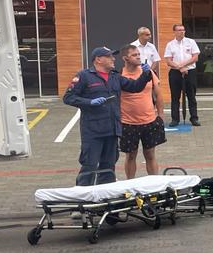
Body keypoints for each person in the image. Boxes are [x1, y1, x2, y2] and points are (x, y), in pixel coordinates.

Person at [63, 46, 153, 186]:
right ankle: (83, 195)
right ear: (98, 59)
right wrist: (89, 102)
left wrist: (146, 75)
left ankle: (104, 198)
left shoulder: (115, 76)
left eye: (113, 56)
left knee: (108, 167)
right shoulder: (84, 76)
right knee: (90, 165)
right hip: (93, 131)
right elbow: (68, 97)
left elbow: (134, 87)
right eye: (109, 56)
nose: (113, 59)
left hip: (112, 129)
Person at [118, 43, 166, 180]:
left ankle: (154, 184)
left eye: (139, 54)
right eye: (134, 55)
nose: (138, 57)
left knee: (150, 155)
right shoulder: (119, 74)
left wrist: (161, 116)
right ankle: (130, 183)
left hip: (149, 121)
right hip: (128, 123)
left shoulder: (148, 72)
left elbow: (158, 94)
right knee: (131, 155)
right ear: (125, 58)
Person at [163, 23, 201, 127]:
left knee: (191, 96)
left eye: (183, 30)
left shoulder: (191, 42)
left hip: (190, 72)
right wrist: (180, 68)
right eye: (179, 30)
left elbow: (195, 57)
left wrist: (183, 65)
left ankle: (194, 118)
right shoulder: (170, 44)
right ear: (174, 32)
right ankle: (175, 119)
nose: (182, 32)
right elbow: (168, 61)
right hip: (175, 72)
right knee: (175, 97)